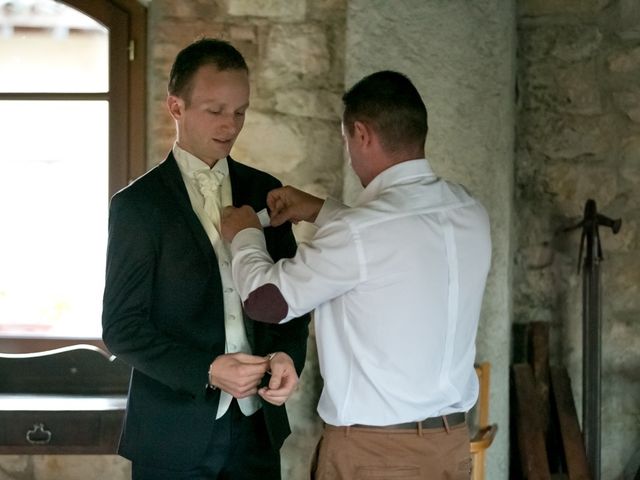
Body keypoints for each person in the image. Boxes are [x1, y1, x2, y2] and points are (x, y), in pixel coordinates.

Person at [221, 70, 492, 479]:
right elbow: (394, 243)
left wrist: (242, 235)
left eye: (347, 141)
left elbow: (267, 301)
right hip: (450, 448)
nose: (350, 154)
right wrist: (318, 209)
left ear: (362, 134)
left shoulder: (360, 233)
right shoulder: (468, 210)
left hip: (376, 456)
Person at [101, 38, 310, 480]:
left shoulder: (266, 191)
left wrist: (289, 357)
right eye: (215, 111)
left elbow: (292, 296)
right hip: (171, 433)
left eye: (240, 111)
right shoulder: (137, 206)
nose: (230, 125)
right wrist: (210, 370)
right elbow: (121, 329)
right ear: (176, 107)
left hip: (257, 433)